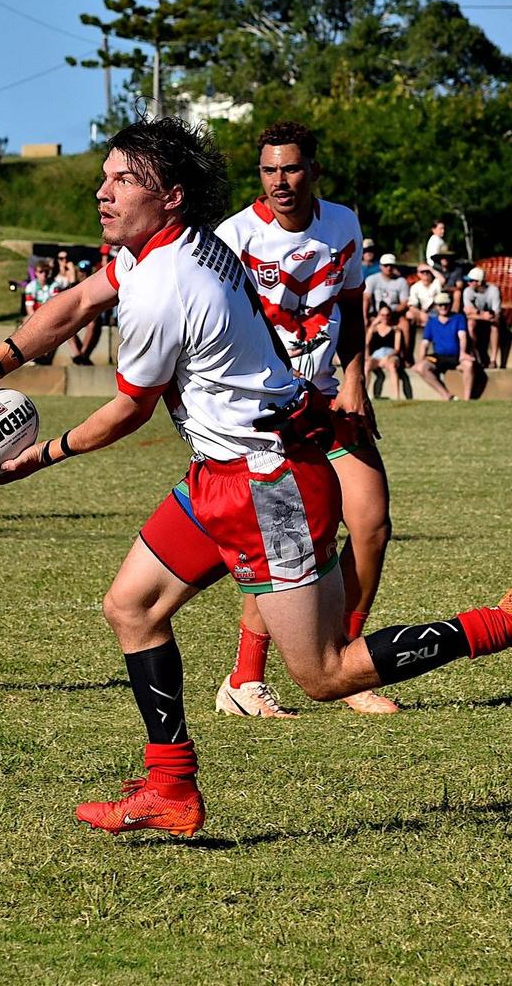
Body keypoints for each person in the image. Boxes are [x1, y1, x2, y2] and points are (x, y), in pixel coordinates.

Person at [0, 117, 512, 840]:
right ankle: (170, 787)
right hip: (224, 475)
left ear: (170, 196)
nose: (101, 192)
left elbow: (125, 413)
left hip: (271, 486)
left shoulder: (166, 283)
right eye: (104, 176)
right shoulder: (168, 248)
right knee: (131, 607)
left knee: (326, 674)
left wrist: (40, 458)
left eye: (122, 181)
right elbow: (77, 303)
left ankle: (507, 623)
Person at [214, 120, 397, 717]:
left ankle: (348, 663)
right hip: (270, 411)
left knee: (370, 524)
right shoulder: (234, 236)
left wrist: (354, 379)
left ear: (313, 169)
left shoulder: (342, 222)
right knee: (283, 548)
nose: (280, 181)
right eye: (269, 170)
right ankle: (245, 681)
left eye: (291, 168)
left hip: (330, 398)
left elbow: (349, 303)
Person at [413, 292, 479, 400]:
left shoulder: (458, 318)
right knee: (421, 367)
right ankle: (446, 395)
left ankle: (468, 399)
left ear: (450, 305)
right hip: (438, 357)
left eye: (446, 304)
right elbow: (424, 343)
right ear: (436, 306)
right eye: (440, 305)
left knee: (468, 365)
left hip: (455, 356)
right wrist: (421, 359)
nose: (443, 307)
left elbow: (462, 337)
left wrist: (463, 353)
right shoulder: (432, 322)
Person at [463, 266, 503, 369]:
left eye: (471, 281)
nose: (469, 283)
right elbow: (468, 313)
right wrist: (481, 314)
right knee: (470, 324)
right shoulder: (467, 291)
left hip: (490, 318)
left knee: (495, 326)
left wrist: (483, 315)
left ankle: (493, 359)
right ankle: (476, 356)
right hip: (480, 317)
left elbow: (496, 314)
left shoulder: (493, 290)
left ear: (479, 282)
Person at [365, 305, 403, 401]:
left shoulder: (396, 330)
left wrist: (388, 356)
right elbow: (366, 343)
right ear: (379, 316)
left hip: (390, 354)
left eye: (387, 315)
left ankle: (396, 396)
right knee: (367, 365)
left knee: (392, 365)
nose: (385, 317)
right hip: (376, 356)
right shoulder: (373, 329)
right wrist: (367, 356)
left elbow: (397, 349)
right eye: (382, 315)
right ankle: (364, 394)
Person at [406, 264, 444, 329]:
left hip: (438, 310)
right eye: (422, 272)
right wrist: (421, 314)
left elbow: (442, 280)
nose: (425, 273)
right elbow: (411, 306)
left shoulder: (436, 282)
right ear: (418, 274)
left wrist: (431, 269)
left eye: (427, 271)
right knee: (409, 314)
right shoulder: (415, 287)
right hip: (423, 311)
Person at [431, 245, 465, 313]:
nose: (445, 259)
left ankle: (454, 314)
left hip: (450, 293)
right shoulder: (435, 269)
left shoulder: (457, 269)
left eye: (447, 257)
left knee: (457, 293)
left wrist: (447, 288)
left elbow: (459, 286)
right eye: (443, 257)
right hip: (436, 292)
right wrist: (430, 269)